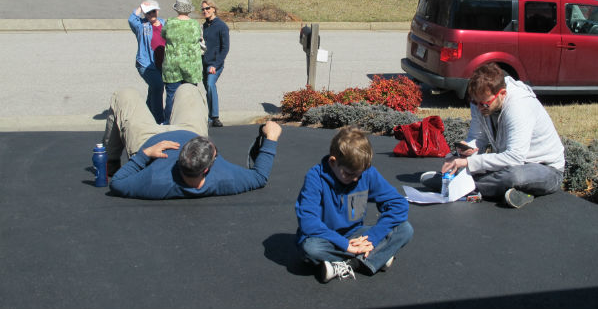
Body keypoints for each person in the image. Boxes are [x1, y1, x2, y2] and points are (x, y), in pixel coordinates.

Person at [420, 62, 565, 209]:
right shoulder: (480, 100)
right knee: (505, 174)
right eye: (475, 102)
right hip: (510, 164)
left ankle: (458, 185)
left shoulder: (519, 107)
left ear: (502, 94)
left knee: (514, 176)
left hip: (546, 169)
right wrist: (465, 151)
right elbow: (478, 138)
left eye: (484, 104)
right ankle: (515, 193)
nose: (479, 108)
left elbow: (515, 157)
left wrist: (468, 163)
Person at [102, 83, 282, 199]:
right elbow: (259, 177)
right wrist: (271, 138)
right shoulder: (224, 177)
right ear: (208, 167)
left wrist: (145, 154)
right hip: (189, 130)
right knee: (189, 88)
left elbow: (117, 183)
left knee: (124, 94)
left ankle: (109, 160)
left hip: (148, 139)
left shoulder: (156, 180)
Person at [295, 127, 413, 283]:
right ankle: (374, 259)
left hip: (355, 235)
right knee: (311, 249)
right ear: (333, 162)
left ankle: (345, 264)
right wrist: (345, 245)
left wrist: (373, 237)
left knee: (405, 229)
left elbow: (399, 204)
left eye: (359, 174)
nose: (356, 179)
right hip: (325, 238)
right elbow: (308, 222)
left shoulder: (367, 173)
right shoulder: (315, 178)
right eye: (349, 174)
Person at [161, 0, 206, 123]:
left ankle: (169, 122)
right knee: (190, 94)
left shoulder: (169, 22)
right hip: (191, 64)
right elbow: (199, 38)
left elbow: (163, 35)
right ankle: (189, 120)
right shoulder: (195, 24)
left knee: (171, 95)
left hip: (172, 64)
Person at [128, 0, 166, 124]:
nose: (151, 15)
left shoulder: (164, 23)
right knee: (158, 86)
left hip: (162, 64)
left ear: (157, 11)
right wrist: (141, 6)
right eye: (148, 12)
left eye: (153, 11)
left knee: (153, 90)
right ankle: (158, 120)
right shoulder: (141, 26)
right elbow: (131, 19)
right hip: (146, 64)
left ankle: (145, 115)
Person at [201, 0, 230, 127]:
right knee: (208, 88)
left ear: (213, 9)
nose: (205, 11)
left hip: (215, 63)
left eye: (207, 8)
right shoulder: (204, 26)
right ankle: (210, 117)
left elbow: (225, 48)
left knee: (210, 84)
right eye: (203, 9)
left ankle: (215, 117)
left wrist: (216, 64)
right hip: (204, 63)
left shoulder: (222, 26)